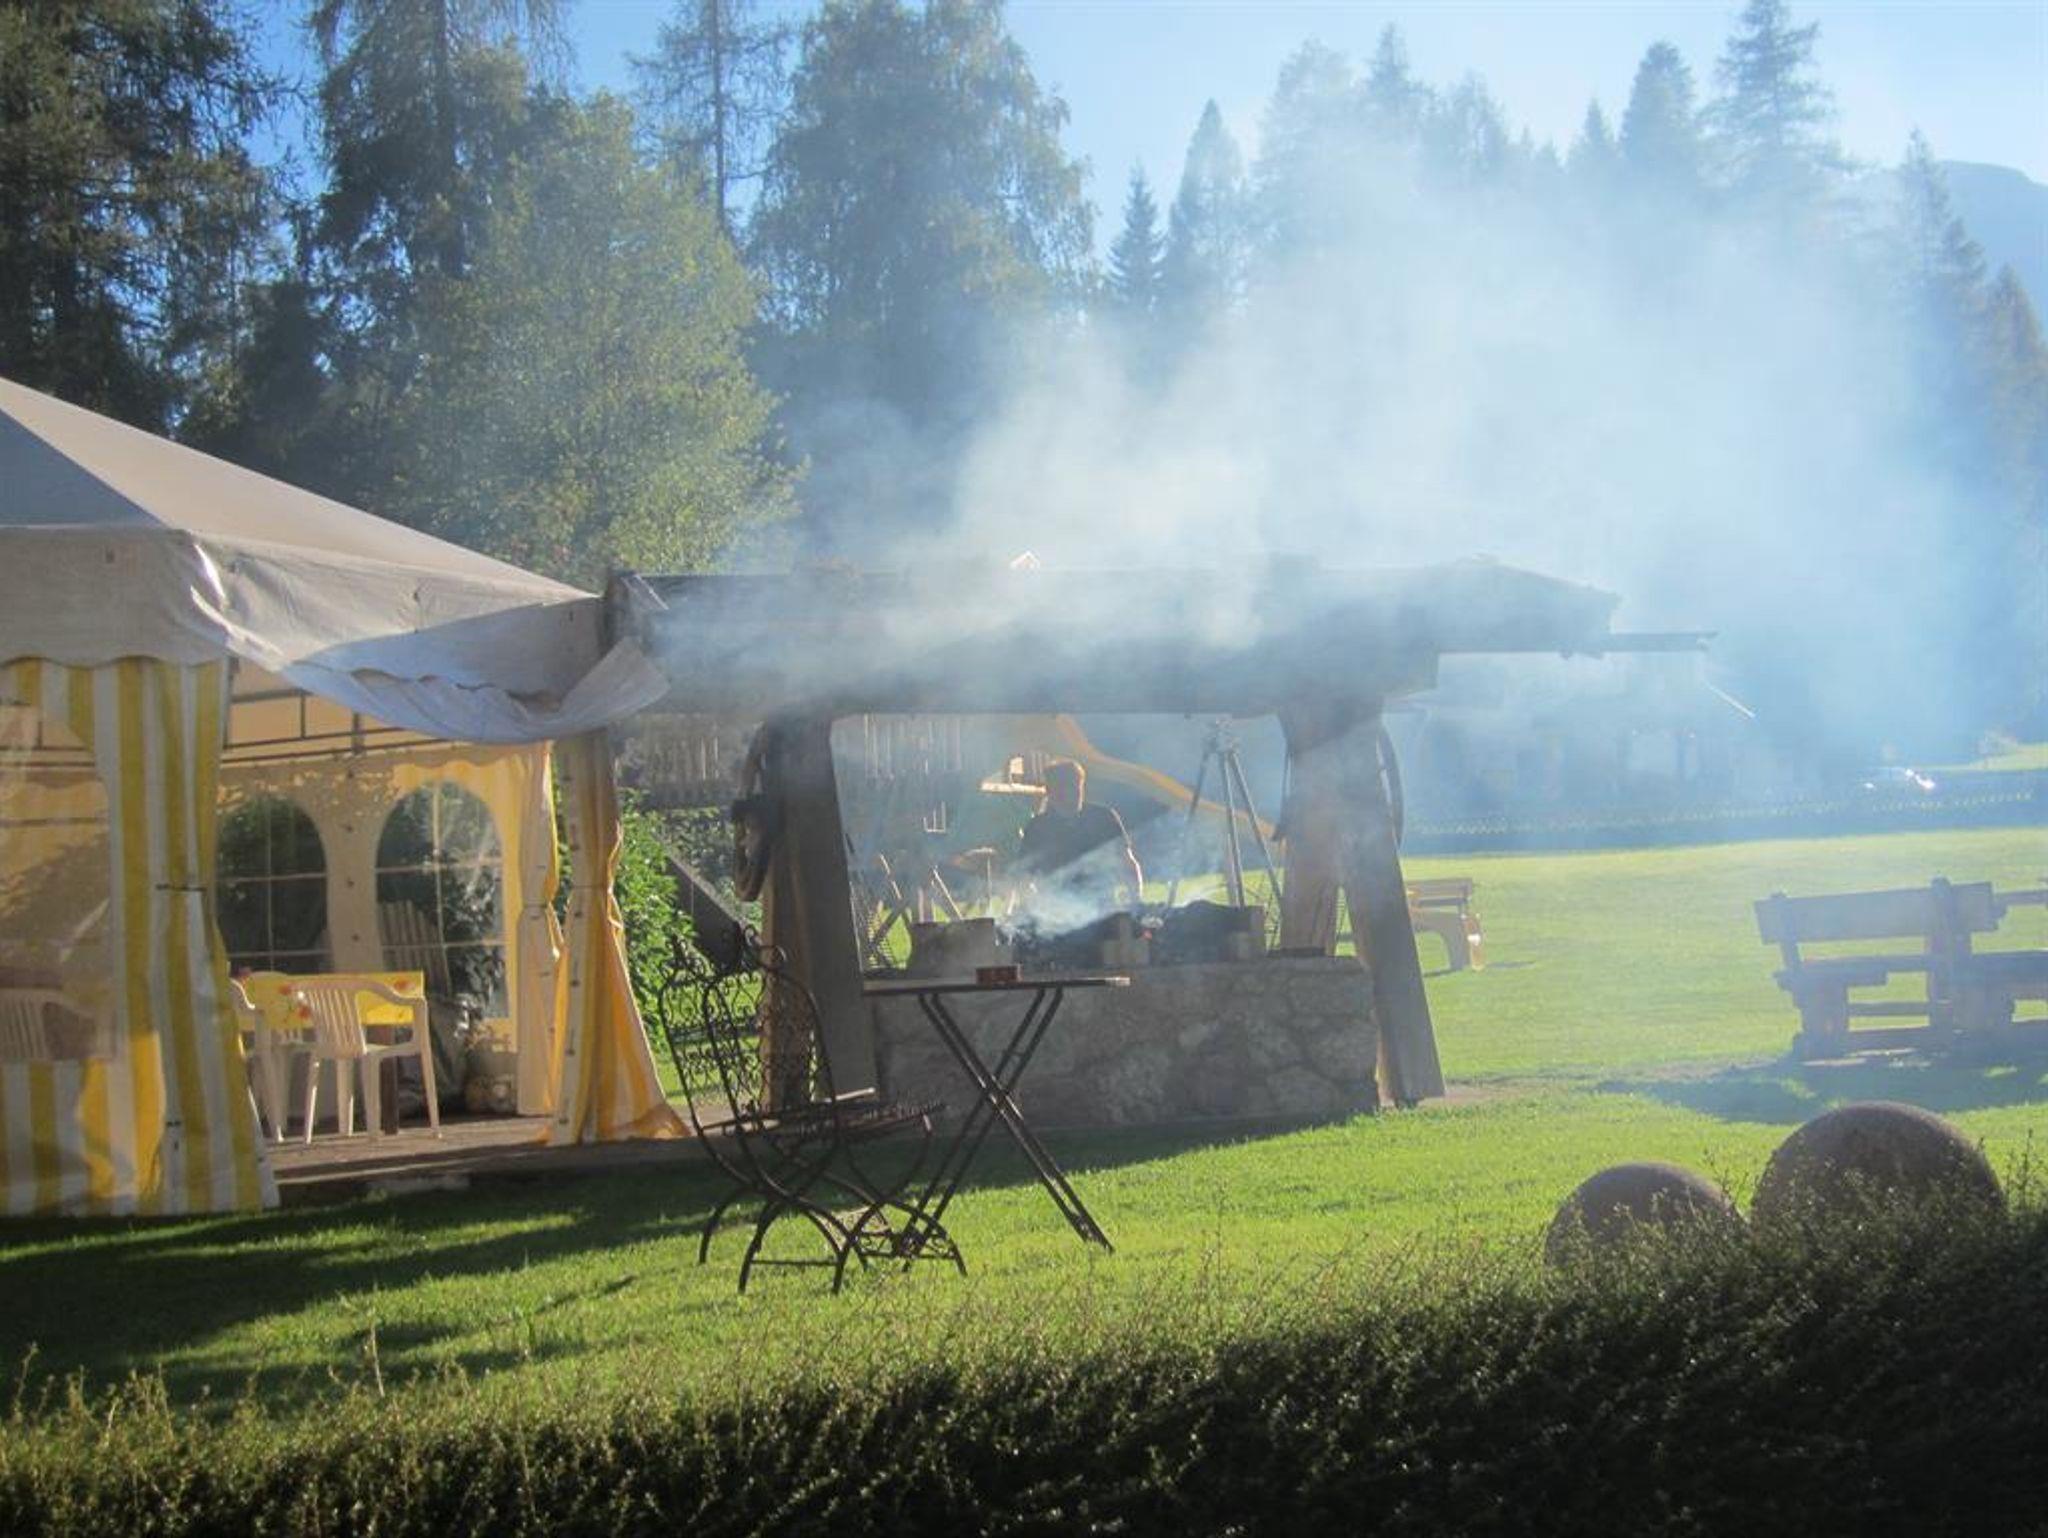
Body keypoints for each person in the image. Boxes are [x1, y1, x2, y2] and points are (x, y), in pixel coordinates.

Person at [1011, 758, 1143, 929]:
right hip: (1055, 915)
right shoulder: (1038, 828)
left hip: (1102, 909)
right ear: (1050, 791)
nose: (1071, 794)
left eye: (1075, 787)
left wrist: (1136, 901)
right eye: (1063, 788)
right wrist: (1032, 908)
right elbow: (1023, 878)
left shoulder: (1104, 818)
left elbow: (1126, 862)